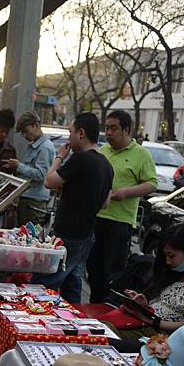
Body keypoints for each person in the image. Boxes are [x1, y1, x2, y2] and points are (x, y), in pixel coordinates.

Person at [32, 112, 113, 303]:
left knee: (45, 281)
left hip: (67, 233)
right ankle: (71, 316)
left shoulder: (80, 159)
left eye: (70, 132)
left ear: (81, 133)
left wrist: (60, 157)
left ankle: (36, 313)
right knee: (72, 283)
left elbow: (49, 181)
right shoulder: (107, 165)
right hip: (87, 233)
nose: (69, 137)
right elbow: (106, 202)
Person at [87, 110, 158, 302]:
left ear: (126, 130)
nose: (109, 132)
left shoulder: (141, 154)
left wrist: (126, 192)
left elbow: (152, 183)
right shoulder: (102, 152)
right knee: (93, 268)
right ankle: (94, 306)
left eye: (114, 128)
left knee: (114, 272)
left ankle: (111, 308)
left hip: (120, 222)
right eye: (107, 128)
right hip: (96, 218)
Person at [105, 223, 184, 340]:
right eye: (165, 256)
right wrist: (143, 306)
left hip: (158, 336)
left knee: (103, 333)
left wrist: (151, 321)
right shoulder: (173, 273)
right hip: (142, 322)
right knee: (97, 327)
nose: (168, 261)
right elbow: (161, 303)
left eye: (171, 256)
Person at [3, 110, 55, 225]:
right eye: (22, 132)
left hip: (34, 202)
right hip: (27, 199)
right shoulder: (34, 146)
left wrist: (19, 166)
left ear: (36, 125)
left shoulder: (44, 147)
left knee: (31, 234)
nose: (25, 135)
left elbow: (41, 175)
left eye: (26, 131)